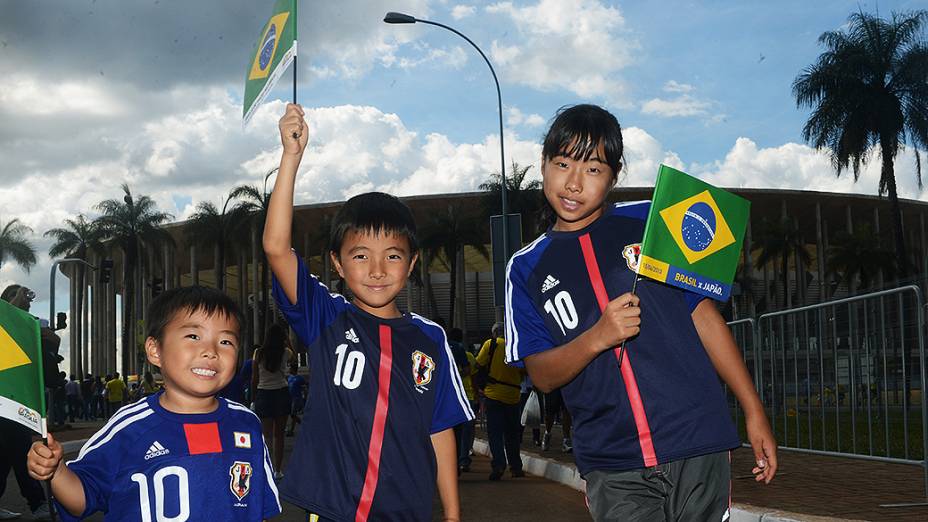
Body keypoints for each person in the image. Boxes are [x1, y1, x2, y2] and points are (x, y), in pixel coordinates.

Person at [504, 104, 777, 521]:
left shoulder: (651, 221)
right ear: (542, 164)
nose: (574, 183)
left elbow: (703, 318)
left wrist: (754, 410)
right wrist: (599, 336)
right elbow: (540, 373)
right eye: (562, 164)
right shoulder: (525, 267)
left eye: (593, 169)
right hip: (613, 460)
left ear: (614, 176)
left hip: (696, 438)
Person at [264, 103, 472, 522]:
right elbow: (275, 248)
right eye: (360, 255)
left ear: (412, 264)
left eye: (392, 256)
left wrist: (452, 514)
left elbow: (440, 428)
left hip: (405, 512)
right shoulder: (327, 318)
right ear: (338, 265)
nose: (377, 270)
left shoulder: (430, 338)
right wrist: (291, 158)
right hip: (333, 510)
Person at [26, 286, 281, 521]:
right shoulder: (129, 427)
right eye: (193, 335)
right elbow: (82, 499)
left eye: (226, 341)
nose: (211, 351)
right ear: (155, 350)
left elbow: (259, 508)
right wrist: (57, 471)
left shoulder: (246, 423)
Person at [0, 287, 52, 520]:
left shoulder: (29, 327)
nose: (27, 306)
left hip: (16, 401)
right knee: (20, 452)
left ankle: (37, 502)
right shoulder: (7, 324)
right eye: (22, 302)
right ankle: (38, 502)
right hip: (9, 402)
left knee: (5, 455)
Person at [476, 322, 525, 480]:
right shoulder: (517, 347)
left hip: (493, 394)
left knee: (495, 434)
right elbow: (525, 372)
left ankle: (498, 465)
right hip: (513, 395)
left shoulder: (491, 344)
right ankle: (515, 467)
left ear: (494, 333)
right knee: (512, 434)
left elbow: (478, 364)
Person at [251, 323, 293, 480]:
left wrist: (253, 398)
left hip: (264, 394)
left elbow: (254, 378)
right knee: (279, 435)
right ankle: (278, 470)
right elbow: (294, 356)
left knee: (266, 435)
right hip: (281, 393)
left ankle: (266, 467)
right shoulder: (285, 352)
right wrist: (287, 341)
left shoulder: (258, 353)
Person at [286, 363, 307, 437]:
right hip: (290, 398)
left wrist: (305, 397)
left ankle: (293, 429)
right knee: (291, 414)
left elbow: (305, 388)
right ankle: (301, 425)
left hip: (297, 398)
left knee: (293, 414)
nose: (289, 370)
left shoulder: (300, 378)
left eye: (290, 368)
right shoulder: (289, 377)